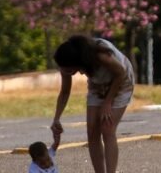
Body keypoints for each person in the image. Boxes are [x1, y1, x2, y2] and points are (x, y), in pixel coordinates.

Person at [51, 35, 135, 173]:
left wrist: (108, 103)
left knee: (107, 128)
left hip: (121, 82)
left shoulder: (99, 55)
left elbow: (120, 73)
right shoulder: (67, 63)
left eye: (68, 70)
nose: (65, 73)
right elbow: (65, 91)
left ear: (77, 62)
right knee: (92, 131)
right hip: (98, 84)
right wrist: (56, 119)